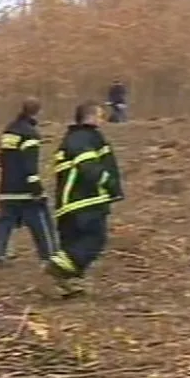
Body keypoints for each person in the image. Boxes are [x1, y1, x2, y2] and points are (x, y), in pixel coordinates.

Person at [43, 101, 124, 298]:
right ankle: (56, 267)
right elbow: (88, 166)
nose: (103, 120)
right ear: (91, 117)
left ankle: (70, 284)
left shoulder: (72, 138)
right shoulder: (84, 138)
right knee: (94, 240)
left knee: (73, 244)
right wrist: (108, 183)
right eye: (100, 116)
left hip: (69, 204)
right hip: (85, 200)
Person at [0, 98, 57, 265]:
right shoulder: (30, 133)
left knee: (5, 220)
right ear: (38, 112)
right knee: (40, 220)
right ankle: (50, 255)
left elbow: (3, 158)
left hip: (7, 185)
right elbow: (29, 163)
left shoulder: (9, 131)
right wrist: (37, 189)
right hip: (24, 188)